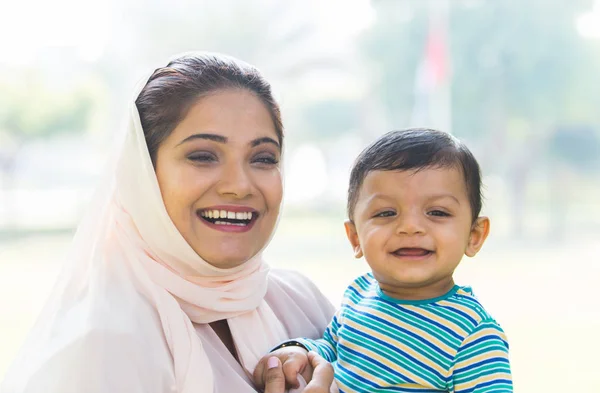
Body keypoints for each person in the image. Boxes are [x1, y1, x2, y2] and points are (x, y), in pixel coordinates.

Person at [0, 52, 338, 393]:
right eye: (203, 156)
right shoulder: (103, 347)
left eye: (263, 158)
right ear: (142, 172)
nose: (239, 185)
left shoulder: (301, 303)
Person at [254, 129, 513, 392]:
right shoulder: (358, 295)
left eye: (437, 212)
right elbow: (333, 348)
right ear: (355, 237)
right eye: (386, 212)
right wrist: (300, 352)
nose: (410, 226)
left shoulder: (473, 334)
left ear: (474, 235)